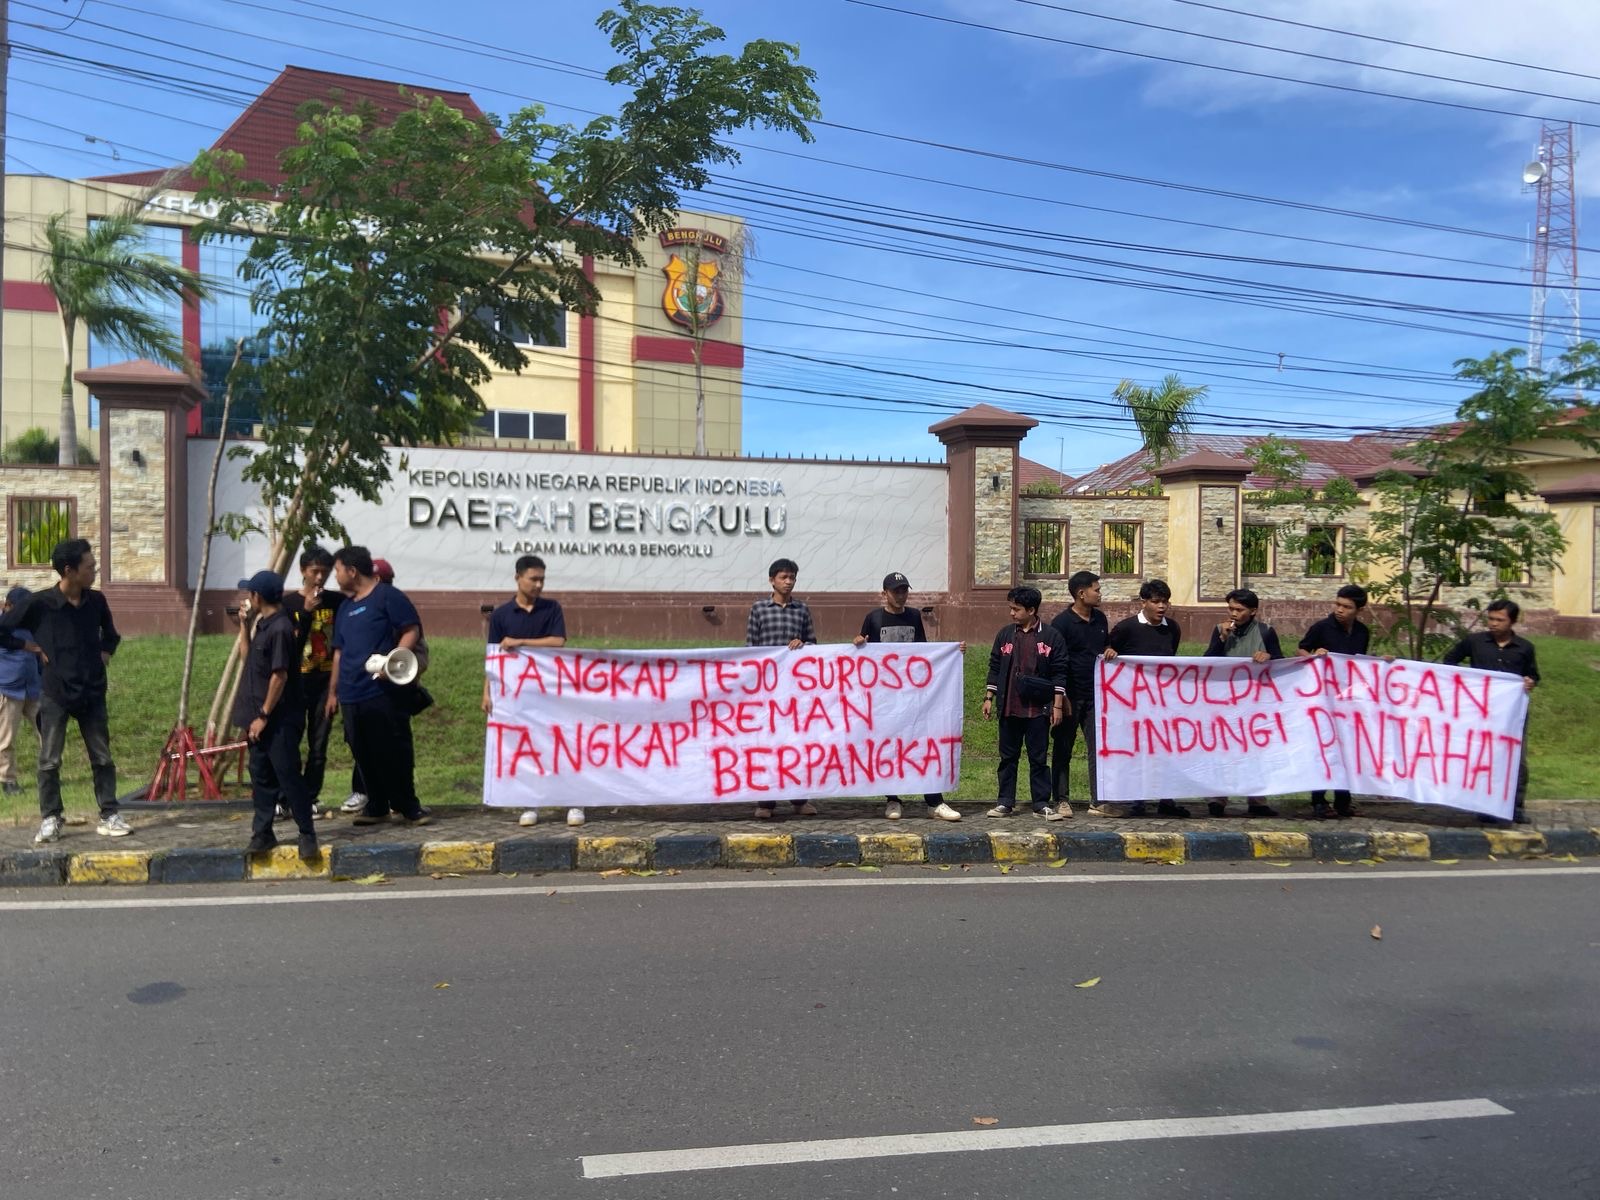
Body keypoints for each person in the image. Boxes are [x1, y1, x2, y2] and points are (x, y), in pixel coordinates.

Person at [0, 538, 128, 842]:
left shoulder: (96, 601)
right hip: (55, 692)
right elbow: (3, 629)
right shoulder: (40, 604)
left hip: (92, 692)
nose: (94, 570)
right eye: (89, 566)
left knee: (102, 757)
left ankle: (109, 813)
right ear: (69, 571)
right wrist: (27, 645)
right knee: (49, 759)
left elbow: (111, 635)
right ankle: (51, 817)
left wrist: (105, 654)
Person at [325, 545, 431, 826]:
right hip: (351, 692)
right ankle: (377, 805)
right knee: (362, 750)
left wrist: (391, 662)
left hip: (382, 691)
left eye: (336, 570)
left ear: (352, 570)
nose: (334, 576)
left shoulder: (388, 597)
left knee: (394, 748)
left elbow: (411, 630)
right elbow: (338, 652)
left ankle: (408, 806)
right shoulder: (346, 607)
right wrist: (333, 692)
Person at [854, 571, 961, 822]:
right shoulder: (873, 619)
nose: (901, 595)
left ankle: (934, 801)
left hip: (912, 694)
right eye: (896, 591)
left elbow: (922, 651)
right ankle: (893, 799)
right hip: (884, 696)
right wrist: (858, 643)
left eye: (904, 590)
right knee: (889, 745)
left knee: (923, 742)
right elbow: (864, 651)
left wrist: (952, 652)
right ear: (885, 593)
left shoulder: (914, 616)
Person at [481, 555, 576, 828]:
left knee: (559, 743)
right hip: (519, 695)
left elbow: (558, 641)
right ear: (517, 578)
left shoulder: (551, 608)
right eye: (533, 579)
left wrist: (521, 642)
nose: (538, 585)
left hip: (551, 689)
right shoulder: (500, 615)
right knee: (528, 747)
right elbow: (493, 657)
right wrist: (487, 691)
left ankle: (572, 800)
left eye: (542, 580)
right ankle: (530, 803)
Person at [232, 570, 318, 860]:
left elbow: (279, 676)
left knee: (288, 776)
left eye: (250, 594)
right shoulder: (263, 624)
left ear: (258, 597)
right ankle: (263, 832)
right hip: (259, 716)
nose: (247, 598)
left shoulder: (281, 628)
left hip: (278, 718)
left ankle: (307, 833)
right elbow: (248, 659)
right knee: (261, 776)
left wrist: (264, 715)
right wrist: (244, 627)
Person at [1442, 598, 1539, 826]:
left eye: (1500, 620)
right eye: (1491, 619)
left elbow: (1533, 675)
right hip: (1481, 712)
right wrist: (1470, 681)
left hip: (1512, 715)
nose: (1494, 624)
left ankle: (1515, 807)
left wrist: (1529, 682)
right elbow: (1450, 661)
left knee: (1517, 761)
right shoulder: (1475, 642)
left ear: (1512, 622)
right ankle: (1485, 805)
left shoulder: (1525, 648)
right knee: (1483, 757)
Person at [1100, 579, 1189, 818]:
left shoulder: (1173, 628)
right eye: (1156, 601)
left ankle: (1166, 798)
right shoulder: (1127, 628)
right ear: (1144, 602)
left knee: (1165, 750)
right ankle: (1137, 799)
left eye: (1165, 602)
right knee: (1138, 750)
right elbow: (1108, 651)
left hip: (1163, 701)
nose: (1162, 606)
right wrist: (1111, 652)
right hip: (1133, 702)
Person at [982, 585, 1069, 819]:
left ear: (1031, 610)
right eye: (1011, 608)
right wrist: (989, 698)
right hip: (1009, 707)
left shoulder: (1051, 637)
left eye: (1016, 609)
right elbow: (995, 666)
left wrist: (1057, 705)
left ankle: (1041, 804)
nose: (1012, 614)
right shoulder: (1005, 635)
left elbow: (1060, 672)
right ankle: (1004, 802)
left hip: (1037, 710)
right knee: (1007, 758)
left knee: (1038, 759)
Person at [746, 557, 819, 820]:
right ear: (772, 580)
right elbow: (750, 649)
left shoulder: (801, 610)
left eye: (792, 578)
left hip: (794, 690)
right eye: (783, 577)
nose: (788, 582)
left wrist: (803, 645)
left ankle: (799, 799)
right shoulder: (759, 609)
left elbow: (813, 646)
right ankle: (766, 801)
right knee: (767, 744)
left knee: (795, 744)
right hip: (767, 689)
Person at [1201, 588, 1284, 818]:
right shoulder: (1219, 630)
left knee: (1255, 750)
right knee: (1222, 749)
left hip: (1255, 702)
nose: (1234, 613)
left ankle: (1256, 799)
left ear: (1253, 611)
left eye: (1239, 609)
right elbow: (1208, 661)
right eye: (1231, 609)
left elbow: (1282, 662)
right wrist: (1221, 640)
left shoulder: (1266, 632)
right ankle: (1217, 799)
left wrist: (1269, 657)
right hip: (1224, 700)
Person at [1297, 584, 1374, 819]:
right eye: (1338, 604)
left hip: (1349, 698)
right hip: (1323, 698)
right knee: (1324, 748)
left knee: (1347, 750)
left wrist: (1381, 663)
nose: (1340, 610)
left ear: (1359, 609)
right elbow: (1301, 649)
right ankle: (1318, 800)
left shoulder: (1362, 631)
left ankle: (1343, 799)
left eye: (1347, 607)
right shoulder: (1322, 628)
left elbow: (1358, 661)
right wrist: (1313, 658)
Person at [281, 544, 342, 814]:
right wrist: (306, 611)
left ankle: (309, 796)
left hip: (324, 683)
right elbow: (289, 648)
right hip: (296, 683)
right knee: (290, 744)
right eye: (315, 572)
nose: (320, 578)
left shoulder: (336, 602)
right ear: (303, 571)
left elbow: (341, 646)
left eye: (325, 573)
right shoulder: (288, 604)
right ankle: (287, 798)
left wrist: (333, 692)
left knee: (319, 745)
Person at [1049, 570, 1107, 820]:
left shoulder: (1101, 619)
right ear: (1081, 594)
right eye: (1096, 589)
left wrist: (1111, 650)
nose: (1100, 593)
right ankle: (1061, 799)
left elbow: (1104, 649)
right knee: (1063, 748)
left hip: (1097, 696)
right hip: (1070, 696)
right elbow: (1056, 663)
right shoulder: (1061, 624)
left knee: (1098, 748)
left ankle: (1099, 799)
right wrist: (1060, 699)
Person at [0, 586, 43, 796]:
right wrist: (24, 645)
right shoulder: (2, 626)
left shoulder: (30, 624)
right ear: (8, 606)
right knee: (6, 739)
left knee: (48, 733)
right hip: (9, 688)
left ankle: (48, 774)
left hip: (34, 687)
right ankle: (7, 780)